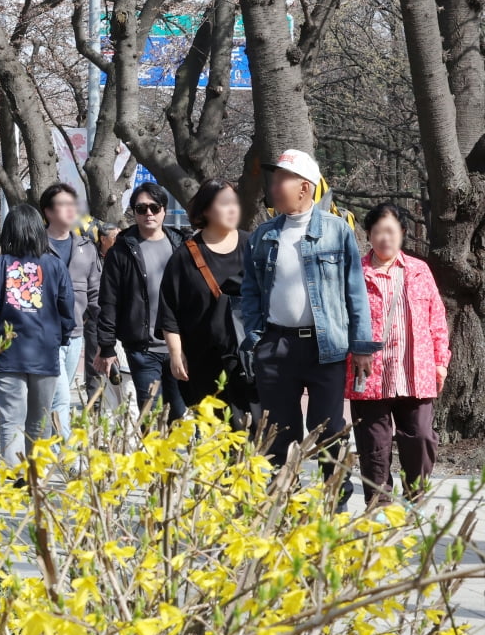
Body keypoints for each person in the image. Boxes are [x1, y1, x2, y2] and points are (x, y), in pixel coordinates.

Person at [241, 150, 381, 508]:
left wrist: (361, 345)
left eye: (280, 179)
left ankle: (334, 500)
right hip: (276, 347)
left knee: (328, 427)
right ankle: (282, 501)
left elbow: (355, 291)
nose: (273, 186)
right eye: (273, 179)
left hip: (326, 348)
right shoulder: (262, 236)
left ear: (305, 187)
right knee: (278, 431)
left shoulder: (337, 231)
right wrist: (257, 339)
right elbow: (250, 292)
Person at [347, 203, 450, 506]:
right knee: (374, 444)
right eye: (378, 232)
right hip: (369, 374)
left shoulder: (419, 271)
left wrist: (440, 361)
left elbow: (436, 318)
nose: (384, 238)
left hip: (414, 371)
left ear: (402, 233)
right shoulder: (355, 273)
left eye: (391, 231)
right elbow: (344, 317)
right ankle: (378, 505)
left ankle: (414, 497)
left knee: (420, 436)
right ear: (368, 235)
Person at [0, 204, 75, 467]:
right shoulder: (54, 265)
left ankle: (16, 475)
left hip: (8, 352)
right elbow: (67, 309)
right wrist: (61, 338)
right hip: (45, 352)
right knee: (40, 418)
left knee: (11, 419)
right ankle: (37, 476)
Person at [157, 179, 256, 419]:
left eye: (234, 203)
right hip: (203, 361)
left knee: (254, 430)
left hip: (249, 358)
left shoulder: (253, 245)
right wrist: (176, 352)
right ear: (206, 210)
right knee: (216, 432)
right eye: (224, 203)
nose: (232, 209)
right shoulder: (185, 255)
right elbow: (169, 308)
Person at [94, 182, 188, 421]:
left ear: (164, 210)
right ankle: (150, 458)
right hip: (142, 348)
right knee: (150, 415)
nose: (148, 213)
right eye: (141, 208)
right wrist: (106, 346)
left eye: (154, 208)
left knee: (179, 414)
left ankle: (174, 460)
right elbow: (109, 300)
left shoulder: (181, 246)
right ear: (133, 212)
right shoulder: (122, 251)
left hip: (180, 346)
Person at [40, 183, 101, 430]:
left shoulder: (86, 248)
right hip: (44, 335)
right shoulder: (36, 247)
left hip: (75, 334)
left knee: (54, 396)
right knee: (61, 397)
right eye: (63, 205)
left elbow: (96, 293)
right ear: (48, 212)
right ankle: (67, 459)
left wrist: (106, 337)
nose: (70, 210)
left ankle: (45, 448)